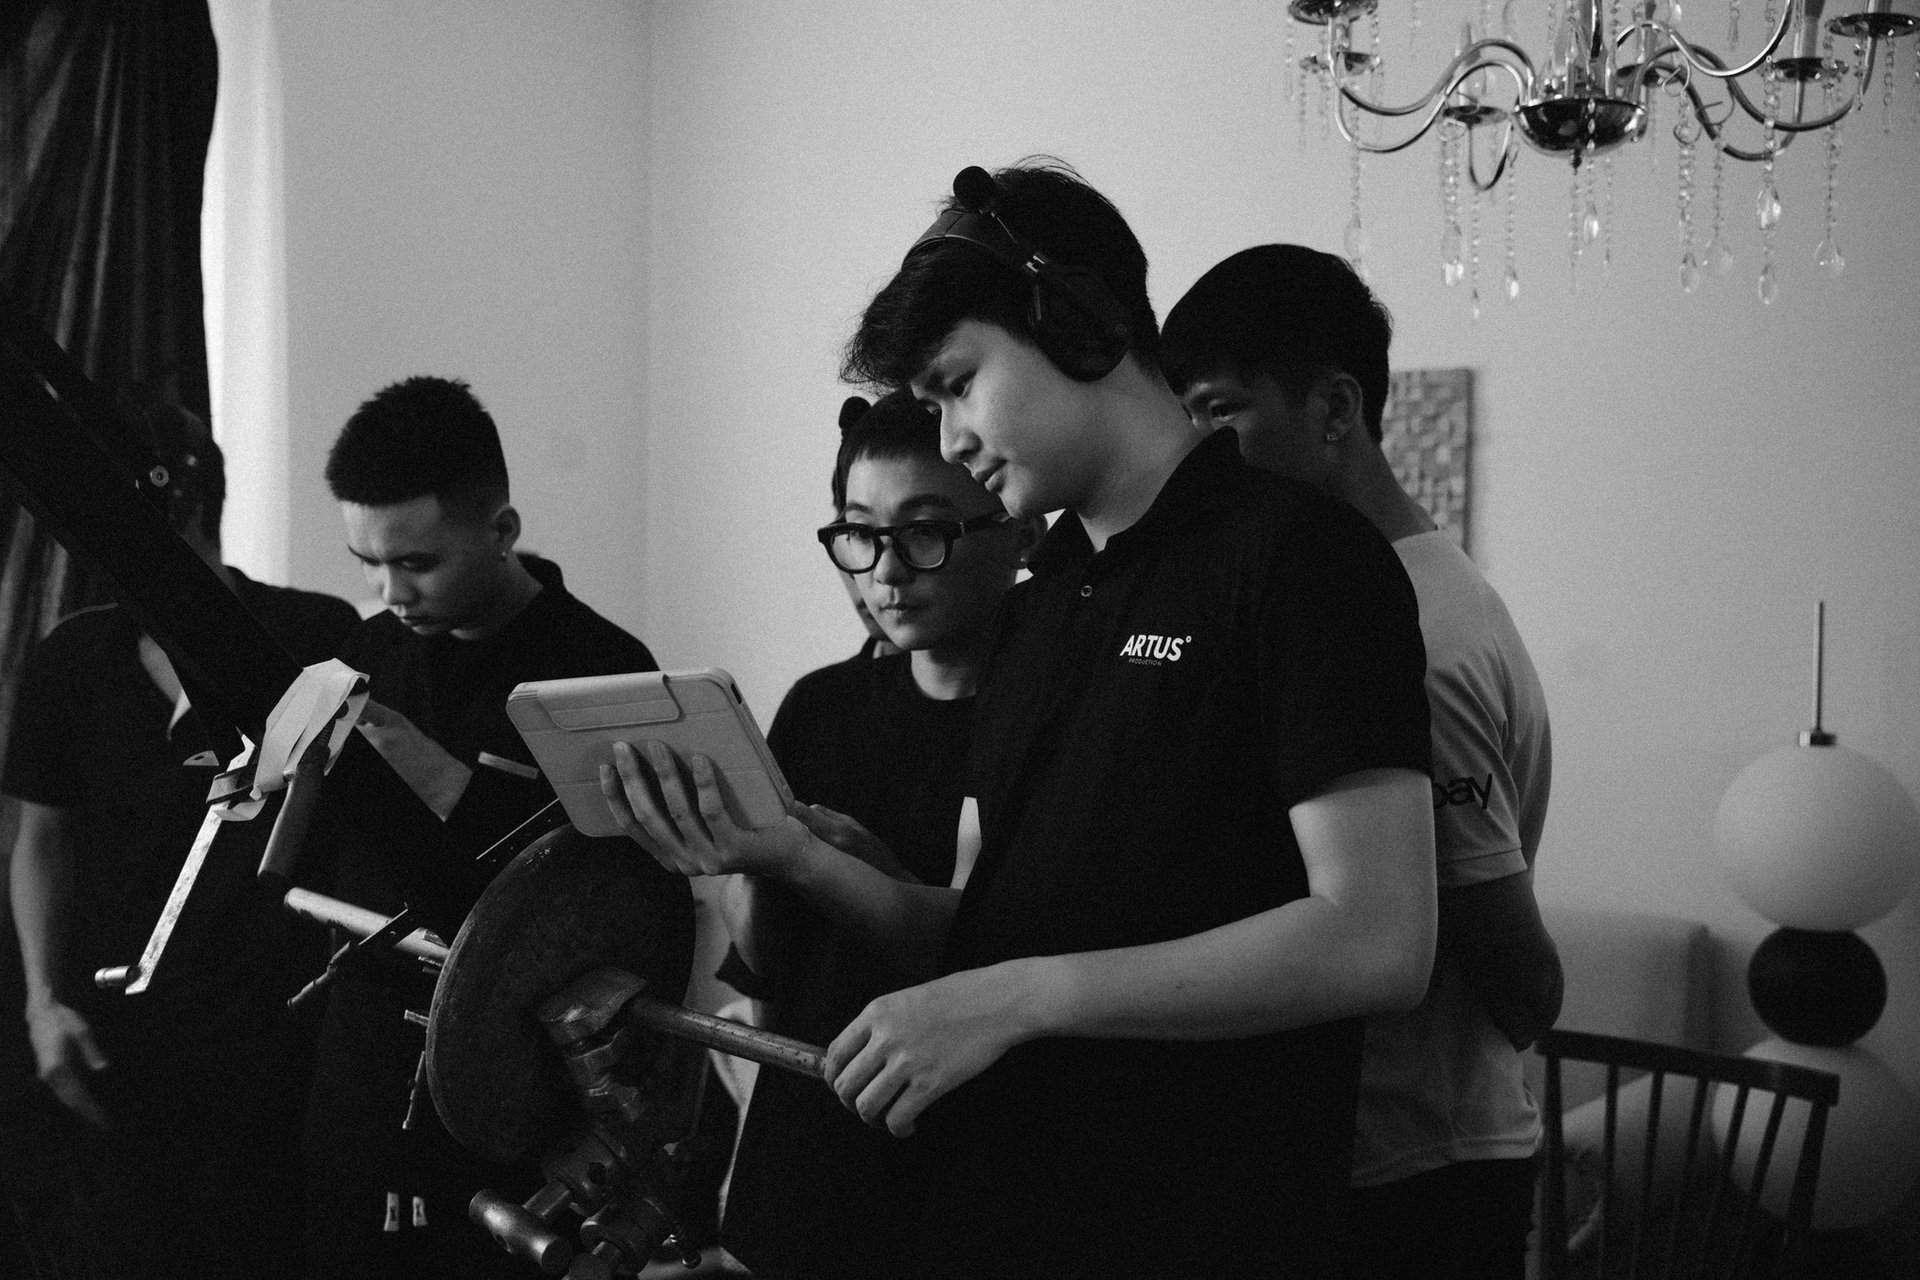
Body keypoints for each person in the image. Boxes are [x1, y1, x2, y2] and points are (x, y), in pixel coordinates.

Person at [602, 161, 1437, 1278]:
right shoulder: (1044, 604)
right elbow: (990, 931)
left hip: (1205, 1222)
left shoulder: (1299, 558)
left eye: (958, 385)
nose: (950, 438)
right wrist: (793, 854)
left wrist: (1023, 999)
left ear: (1081, 324)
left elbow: (1378, 938)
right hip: (1003, 1216)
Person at [1161, 243, 1562, 1280]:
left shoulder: (1417, 633)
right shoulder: (1386, 591)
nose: (1194, 451)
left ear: (1336, 408)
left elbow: (1523, 983)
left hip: (1423, 1173)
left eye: (1219, 410)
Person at [301, 375, 658, 1280]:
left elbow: (614, 918)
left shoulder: (603, 674)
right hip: (359, 1074)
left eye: (417, 563)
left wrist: (414, 757)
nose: (390, 592)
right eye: (368, 563)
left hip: (517, 1101)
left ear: (502, 530)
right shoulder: (364, 654)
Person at [5, 400, 361, 1278]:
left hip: (279, 1032)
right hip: (113, 1036)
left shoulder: (315, 636)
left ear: (192, 506)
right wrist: (41, 1003)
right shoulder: (73, 658)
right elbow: (39, 839)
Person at [714, 390, 1041, 1280]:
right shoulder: (820, 707)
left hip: (971, 1181)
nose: (886, 571)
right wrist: (739, 868)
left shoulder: (1054, 716)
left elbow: (1013, 955)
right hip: (802, 1168)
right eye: (859, 532)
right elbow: (768, 977)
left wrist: (833, 865)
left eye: (925, 531)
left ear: (1022, 533)